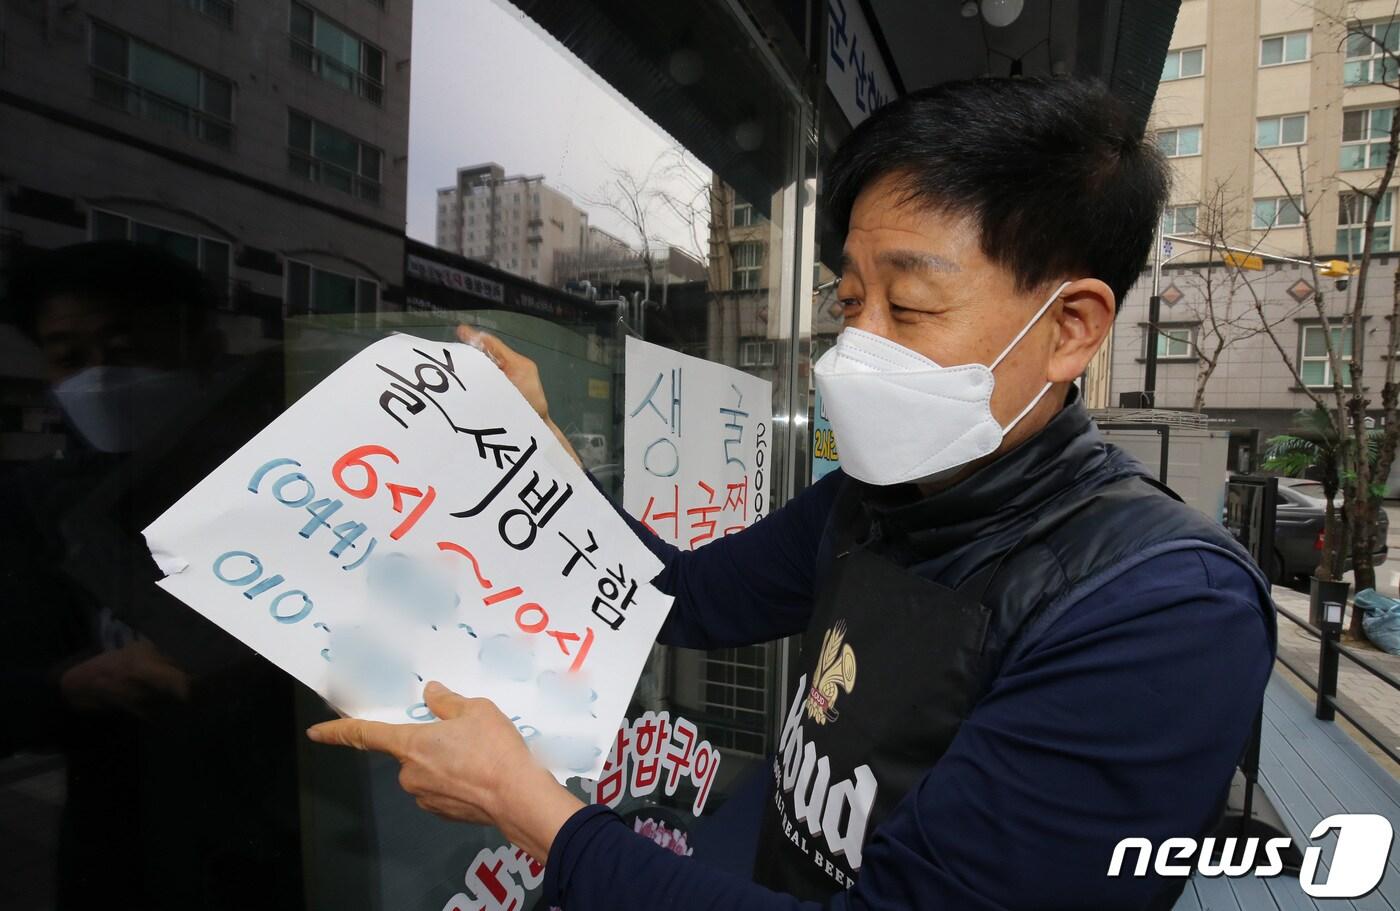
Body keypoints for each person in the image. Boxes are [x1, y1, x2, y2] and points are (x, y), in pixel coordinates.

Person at [307, 77, 1277, 909]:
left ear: (1070, 328)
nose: (856, 346)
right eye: (849, 301)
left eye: (910, 304)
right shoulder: (871, 498)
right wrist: (540, 462)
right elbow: (678, 596)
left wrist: (530, 811)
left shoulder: (1162, 611)